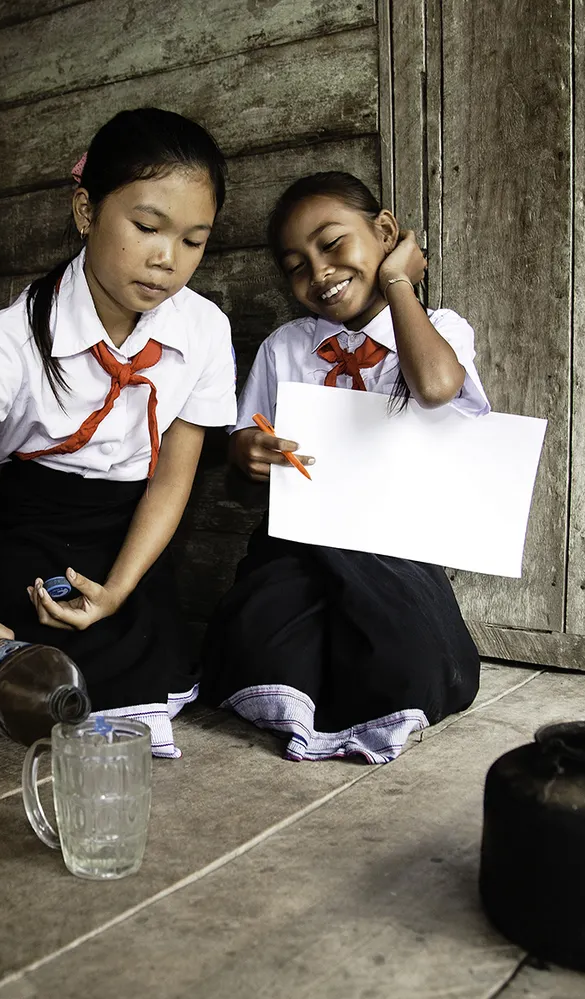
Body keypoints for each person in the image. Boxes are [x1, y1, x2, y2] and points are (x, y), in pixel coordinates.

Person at [0, 108, 235, 757]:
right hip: (35, 526)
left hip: (136, 535)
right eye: (147, 226)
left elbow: (173, 475)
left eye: (193, 240)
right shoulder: (9, 339)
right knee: (28, 678)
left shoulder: (205, 329)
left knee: (141, 671)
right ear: (85, 211)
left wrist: (121, 589)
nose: (167, 259)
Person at [202, 171, 487, 763]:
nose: (319, 273)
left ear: (385, 230)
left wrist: (398, 281)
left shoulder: (441, 331)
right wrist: (246, 458)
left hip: (389, 549)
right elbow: (240, 484)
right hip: (293, 545)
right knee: (252, 644)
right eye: (296, 266)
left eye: (332, 245)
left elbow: (435, 387)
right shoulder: (285, 348)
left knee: (409, 663)